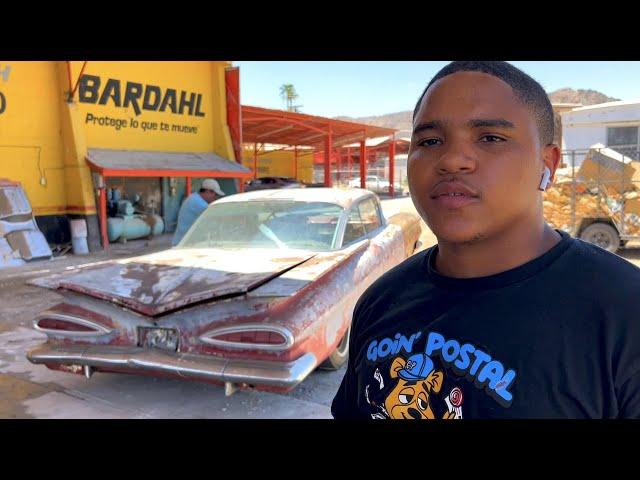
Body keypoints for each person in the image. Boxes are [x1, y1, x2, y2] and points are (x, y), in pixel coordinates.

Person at [331, 61, 640, 419]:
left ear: (548, 164)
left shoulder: (623, 312)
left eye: (490, 138)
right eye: (430, 141)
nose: (451, 160)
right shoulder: (381, 301)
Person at [172, 178, 225, 246]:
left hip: (185, 243)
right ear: (208, 191)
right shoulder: (199, 203)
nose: (215, 198)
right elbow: (216, 219)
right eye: (215, 194)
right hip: (184, 245)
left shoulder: (195, 197)